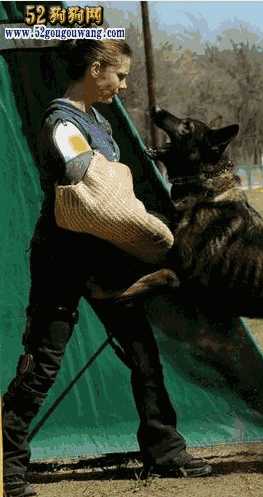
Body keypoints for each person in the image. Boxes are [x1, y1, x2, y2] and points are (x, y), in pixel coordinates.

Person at [2, 39, 212, 497]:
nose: (123, 84)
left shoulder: (98, 122)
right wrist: (119, 181)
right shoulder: (61, 120)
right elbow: (81, 176)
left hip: (105, 256)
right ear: (96, 68)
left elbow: (105, 191)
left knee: (142, 353)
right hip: (61, 258)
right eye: (119, 75)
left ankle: (165, 452)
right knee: (41, 366)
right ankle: (7, 469)